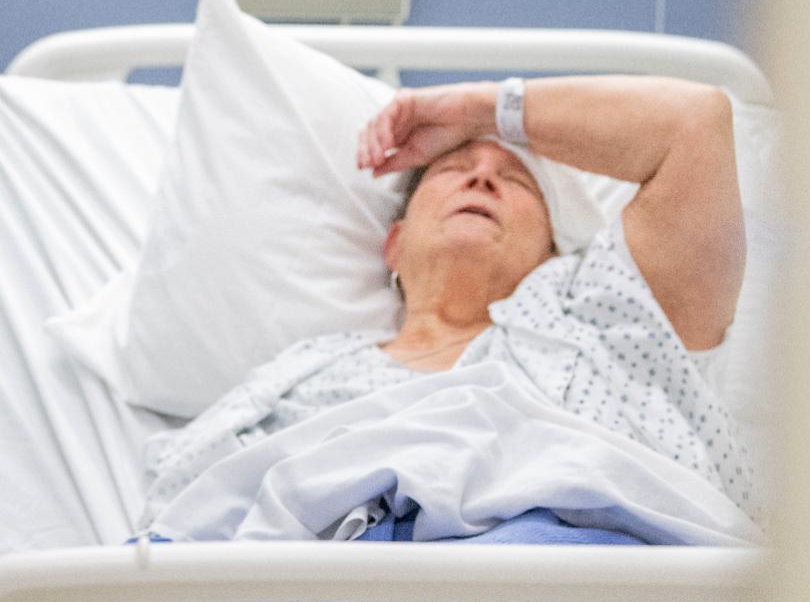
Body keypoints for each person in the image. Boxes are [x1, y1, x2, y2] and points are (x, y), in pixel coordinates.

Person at [143, 74, 759, 523]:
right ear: (395, 243)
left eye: (514, 178)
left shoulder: (608, 317)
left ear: (553, 251)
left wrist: (480, 111)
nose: (482, 176)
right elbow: (187, 516)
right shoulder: (299, 375)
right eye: (450, 170)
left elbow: (697, 124)